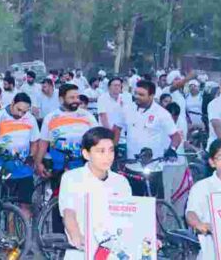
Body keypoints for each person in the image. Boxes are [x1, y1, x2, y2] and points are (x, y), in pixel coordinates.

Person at [58, 127, 132, 260]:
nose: (108, 157)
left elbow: (129, 217)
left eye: (111, 150)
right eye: (100, 151)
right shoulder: (71, 178)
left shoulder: (121, 182)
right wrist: (76, 235)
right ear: (86, 154)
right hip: (82, 250)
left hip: (115, 251)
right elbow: (68, 212)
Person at [121, 80, 182, 198]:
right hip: (131, 165)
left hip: (153, 168)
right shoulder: (127, 109)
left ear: (152, 96)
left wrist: (172, 149)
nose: (137, 97)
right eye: (136, 93)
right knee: (131, 202)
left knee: (154, 203)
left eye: (141, 95)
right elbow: (117, 128)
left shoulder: (162, 114)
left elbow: (176, 137)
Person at [0, 92, 39, 221]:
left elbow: (35, 141)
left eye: (24, 112)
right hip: (4, 169)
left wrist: (32, 156)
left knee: (25, 204)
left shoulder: (30, 118)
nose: (21, 114)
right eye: (19, 110)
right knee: (5, 205)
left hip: (24, 169)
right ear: (12, 103)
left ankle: (23, 235)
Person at [34, 84, 98, 179]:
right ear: (61, 99)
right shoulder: (50, 118)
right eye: (72, 97)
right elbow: (43, 143)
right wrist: (38, 163)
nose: (76, 100)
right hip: (57, 168)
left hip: (83, 167)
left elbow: (97, 139)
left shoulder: (87, 116)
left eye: (77, 97)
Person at [96, 77, 128, 146]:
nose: (117, 87)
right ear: (109, 87)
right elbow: (103, 116)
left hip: (122, 135)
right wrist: (109, 133)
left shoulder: (124, 98)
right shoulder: (102, 98)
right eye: (115, 85)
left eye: (119, 85)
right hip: (106, 133)